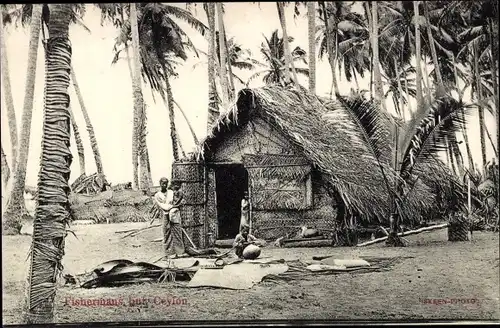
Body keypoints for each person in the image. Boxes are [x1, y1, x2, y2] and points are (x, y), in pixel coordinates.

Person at [154, 177, 185, 258]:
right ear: (160, 184)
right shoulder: (157, 195)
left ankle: (180, 252)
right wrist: (174, 206)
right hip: (165, 215)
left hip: (174, 214)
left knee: (177, 231)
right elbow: (164, 206)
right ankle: (170, 253)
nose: (164, 185)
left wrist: (175, 206)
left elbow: (177, 201)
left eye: (166, 183)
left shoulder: (171, 192)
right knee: (166, 233)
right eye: (163, 183)